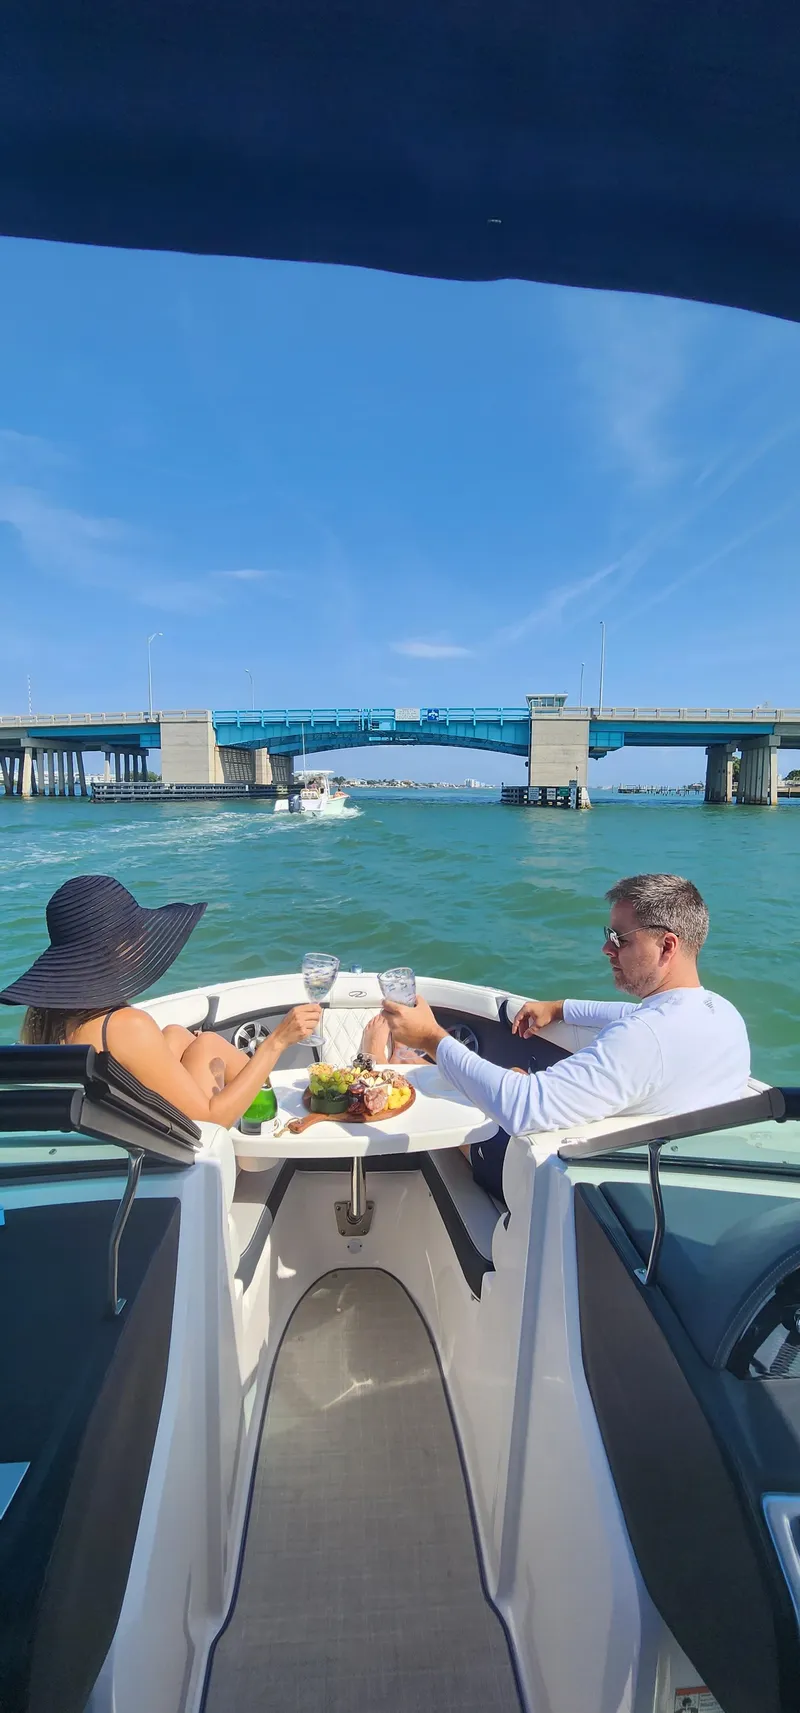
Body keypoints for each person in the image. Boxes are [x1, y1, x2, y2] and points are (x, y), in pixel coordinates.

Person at [381, 873, 751, 1196]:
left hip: (563, 1192)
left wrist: (430, 1037)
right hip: (653, 1177)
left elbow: (524, 1108)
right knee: (511, 1077)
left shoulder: (642, 1039)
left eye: (620, 938)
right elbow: (627, 1014)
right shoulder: (721, 1013)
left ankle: (398, 1063)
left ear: (667, 946)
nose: (607, 948)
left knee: (461, 1103)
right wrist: (559, 1007)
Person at [0, 874, 320, 1126]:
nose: (142, 939)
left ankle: (267, 1096)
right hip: (171, 1160)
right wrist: (277, 1041)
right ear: (119, 947)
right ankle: (275, 1108)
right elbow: (211, 1121)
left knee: (177, 1036)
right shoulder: (125, 1026)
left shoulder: (52, 1023)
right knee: (207, 1045)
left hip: (118, 1145)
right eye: (136, 933)